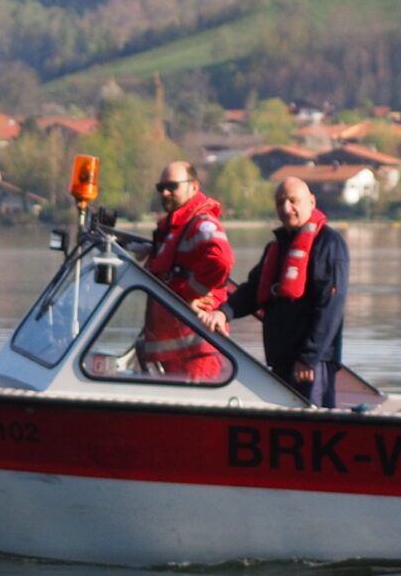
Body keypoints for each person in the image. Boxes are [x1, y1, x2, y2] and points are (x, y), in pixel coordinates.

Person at [207, 174, 347, 406]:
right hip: (281, 359)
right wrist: (223, 312)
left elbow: (330, 306)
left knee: (310, 425)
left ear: (311, 202)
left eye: (293, 201)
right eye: (280, 202)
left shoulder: (328, 244)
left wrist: (309, 358)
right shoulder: (278, 246)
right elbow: (253, 290)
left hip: (311, 365)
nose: (286, 207)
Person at [139, 160, 232, 381]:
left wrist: (191, 293)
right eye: (161, 188)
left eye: (173, 186)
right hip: (175, 350)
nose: (166, 192)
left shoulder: (201, 224)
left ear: (194, 187)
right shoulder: (174, 228)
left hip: (196, 351)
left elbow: (222, 260)